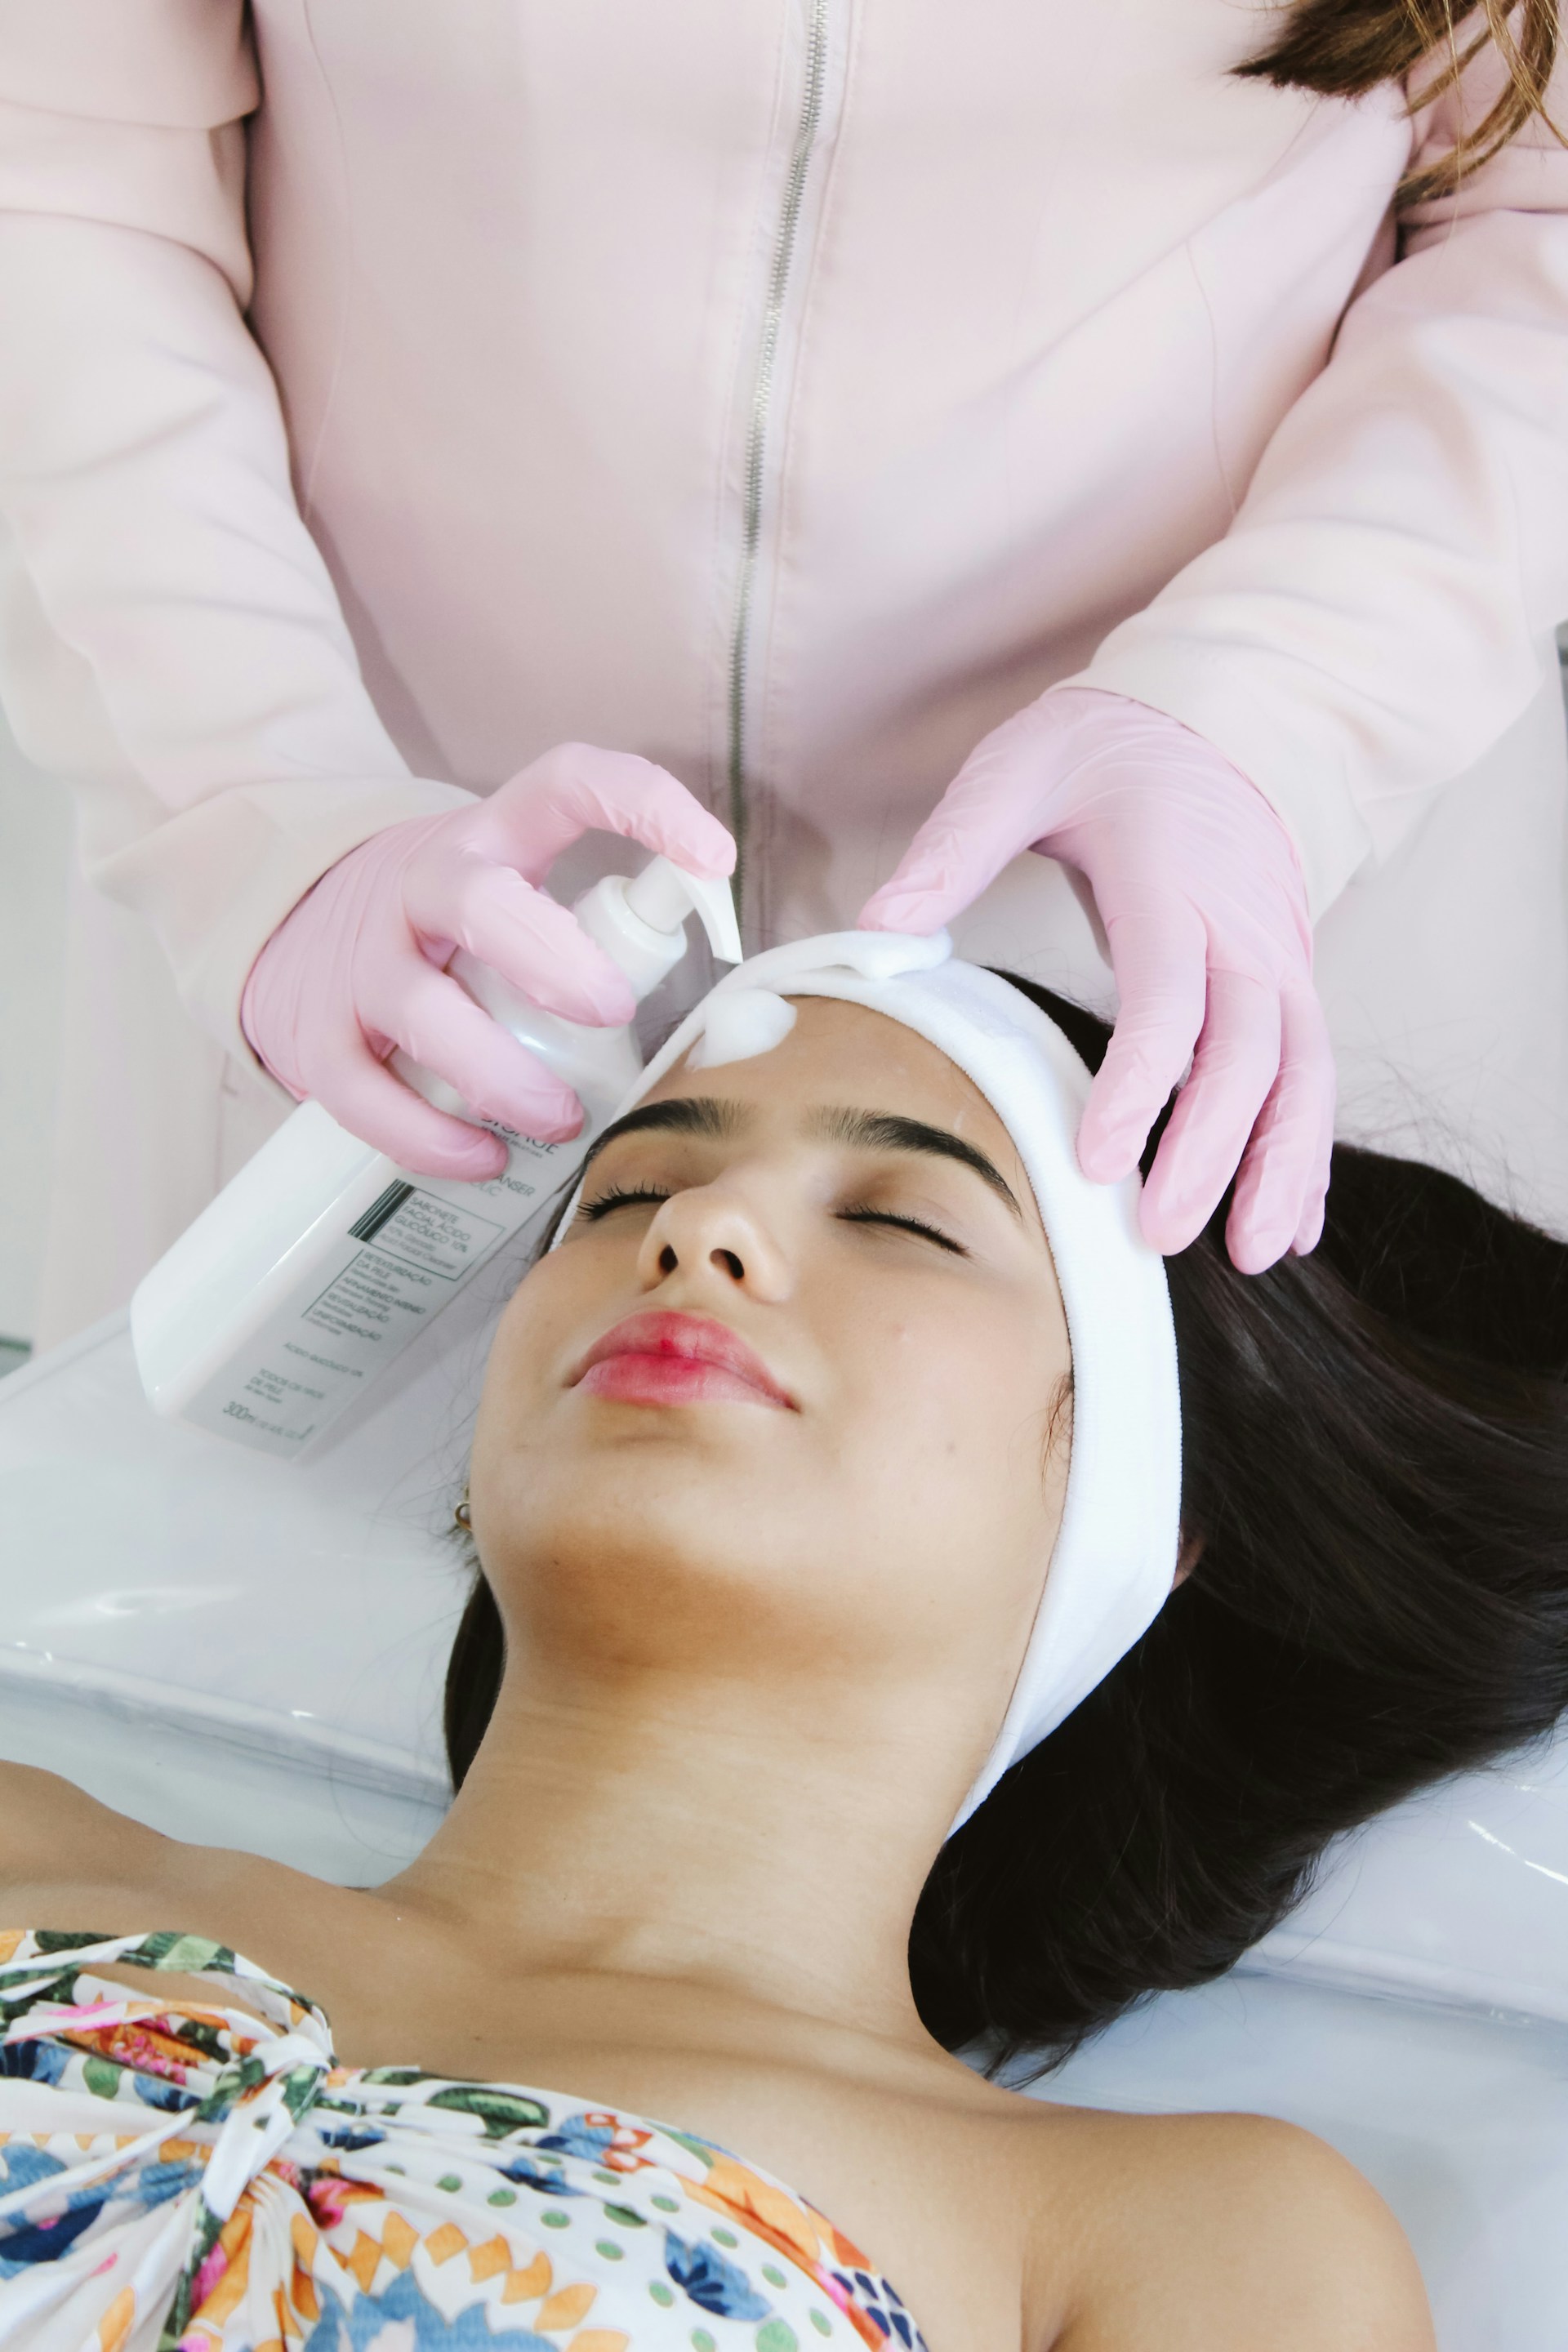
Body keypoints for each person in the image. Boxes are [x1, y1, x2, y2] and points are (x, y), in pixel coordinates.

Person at [3, 940, 1565, 2346]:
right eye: (619, 1198)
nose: (699, 1226)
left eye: (902, 1217)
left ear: (1140, 1521)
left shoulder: (1176, 2240)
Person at [5, 0, 1568, 1337]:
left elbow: (1536, 221)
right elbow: (60, 169)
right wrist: (252, 787)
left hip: (1223, 891)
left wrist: (1272, 707)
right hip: (391, 885)